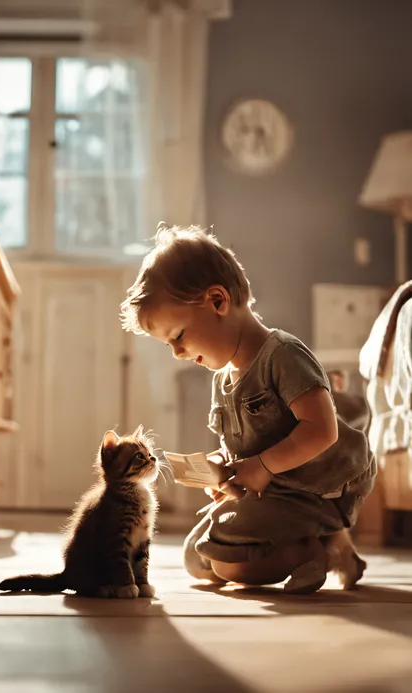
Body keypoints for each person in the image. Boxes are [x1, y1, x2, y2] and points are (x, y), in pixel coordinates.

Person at [120, 225, 376, 593]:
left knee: (229, 562)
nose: (176, 353)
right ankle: (326, 542)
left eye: (177, 336)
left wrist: (262, 466)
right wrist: (226, 468)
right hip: (274, 490)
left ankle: (321, 549)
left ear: (218, 301)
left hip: (318, 488)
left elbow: (322, 430)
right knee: (197, 560)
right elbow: (243, 443)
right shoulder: (222, 378)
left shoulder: (283, 354)